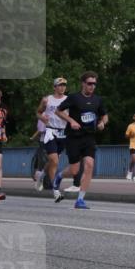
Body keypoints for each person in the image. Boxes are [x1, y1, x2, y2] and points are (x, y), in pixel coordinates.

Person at [52, 71, 108, 209]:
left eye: (94, 84)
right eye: (89, 83)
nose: (92, 86)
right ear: (83, 83)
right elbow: (58, 111)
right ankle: (59, 177)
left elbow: (105, 115)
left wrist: (102, 123)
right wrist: (71, 121)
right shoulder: (74, 98)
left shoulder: (98, 100)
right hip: (73, 138)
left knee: (89, 165)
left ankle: (80, 200)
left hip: (89, 137)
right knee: (74, 170)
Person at [38, 77, 69, 200]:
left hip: (63, 133)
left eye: (64, 85)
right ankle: (55, 190)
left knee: (52, 162)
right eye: (60, 85)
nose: (62, 87)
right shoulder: (47, 100)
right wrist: (42, 118)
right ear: (54, 87)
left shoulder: (68, 100)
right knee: (54, 161)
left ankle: (41, 175)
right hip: (50, 131)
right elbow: (38, 112)